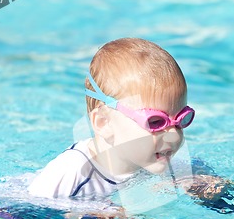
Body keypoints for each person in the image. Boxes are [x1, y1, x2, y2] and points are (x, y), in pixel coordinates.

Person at [28, 38, 195, 199]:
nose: (174, 135)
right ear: (104, 123)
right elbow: (21, 217)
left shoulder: (160, 157)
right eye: (156, 122)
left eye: (181, 120)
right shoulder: (71, 172)